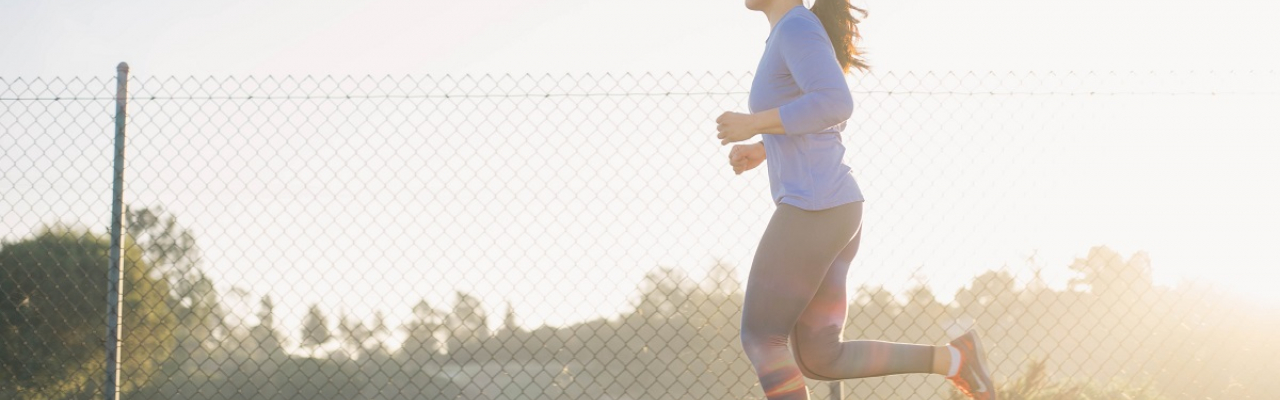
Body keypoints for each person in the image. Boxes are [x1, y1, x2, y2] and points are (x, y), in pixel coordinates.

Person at [714, 1, 997, 399]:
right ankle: (955, 359)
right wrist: (764, 147)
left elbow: (835, 102)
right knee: (820, 358)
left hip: (816, 206)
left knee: (762, 336)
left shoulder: (796, 28)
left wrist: (753, 121)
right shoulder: (789, 31)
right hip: (831, 208)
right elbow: (820, 115)